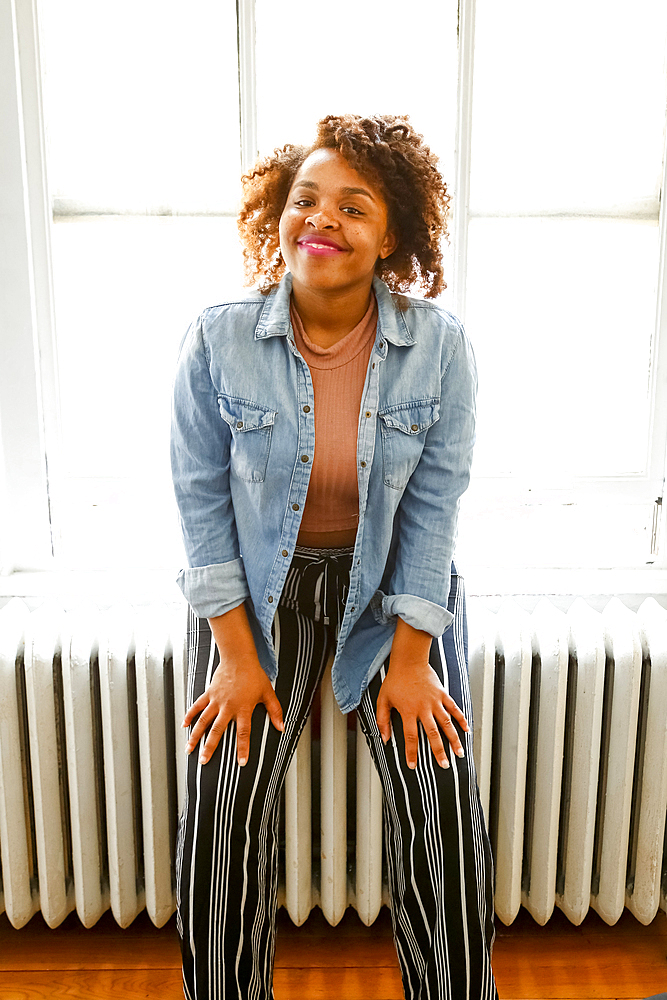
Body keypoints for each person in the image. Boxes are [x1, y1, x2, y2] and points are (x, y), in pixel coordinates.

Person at [171, 113, 497, 1000]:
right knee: (221, 812)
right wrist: (236, 661)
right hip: (255, 595)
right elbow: (201, 508)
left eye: (353, 207)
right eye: (306, 199)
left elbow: (433, 514)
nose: (322, 219)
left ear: (391, 235)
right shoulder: (216, 339)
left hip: (393, 593)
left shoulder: (441, 348)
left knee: (439, 801)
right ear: (279, 213)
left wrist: (411, 663)